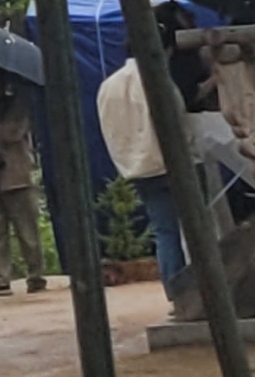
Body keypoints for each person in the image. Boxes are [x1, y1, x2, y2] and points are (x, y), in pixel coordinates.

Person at [100, 54, 189, 319]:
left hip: (137, 168)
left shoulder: (109, 85)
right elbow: (178, 119)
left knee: (164, 232)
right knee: (190, 230)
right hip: (169, 163)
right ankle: (196, 291)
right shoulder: (157, 80)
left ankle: (175, 295)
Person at [0, 72, 45, 295]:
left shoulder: (17, 106)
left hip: (16, 177)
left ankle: (36, 274)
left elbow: (13, 132)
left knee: (27, 231)